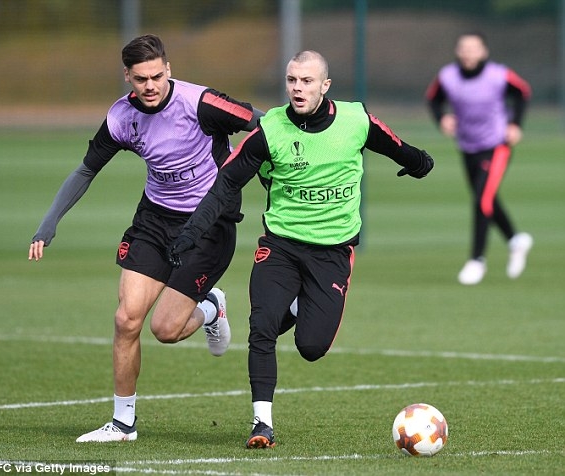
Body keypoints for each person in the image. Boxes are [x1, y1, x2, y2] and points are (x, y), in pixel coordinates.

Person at [167, 50, 434, 448]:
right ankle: (262, 425)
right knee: (262, 327)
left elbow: (394, 144)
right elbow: (226, 184)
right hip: (281, 246)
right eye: (292, 80)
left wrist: (419, 163)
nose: (297, 88)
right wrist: (191, 233)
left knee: (311, 347)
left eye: (307, 81)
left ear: (325, 86)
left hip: (332, 252)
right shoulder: (270, 129)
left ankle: (295, 304)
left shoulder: (355, 120)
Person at [28, 34, 263, 442]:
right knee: (126, 319)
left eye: (157, 76)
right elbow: (86, 169)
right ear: (128, 77)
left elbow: (266, 124)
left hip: (209, 223)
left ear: (168, 69)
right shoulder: (122, 117)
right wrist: (49, 223)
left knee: (166, 330)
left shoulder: (200, 103)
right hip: (154, 220)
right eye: (141, 79)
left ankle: (211, 308)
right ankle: (123, 424)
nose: (150, 86)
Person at [426, 31, 533, 285]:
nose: (468, 53)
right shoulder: (448, 76)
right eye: (463, 48)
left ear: (484, 51)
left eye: (473, 48)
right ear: (457, 51)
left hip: (497, 145)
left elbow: (523, 91)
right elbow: (433, 99)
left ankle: (477, 260)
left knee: (482, 199)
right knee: (486, 198)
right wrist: (442, 118)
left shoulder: (498, 75)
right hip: (467, 146)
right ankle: (516, 240)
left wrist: (516, 124)